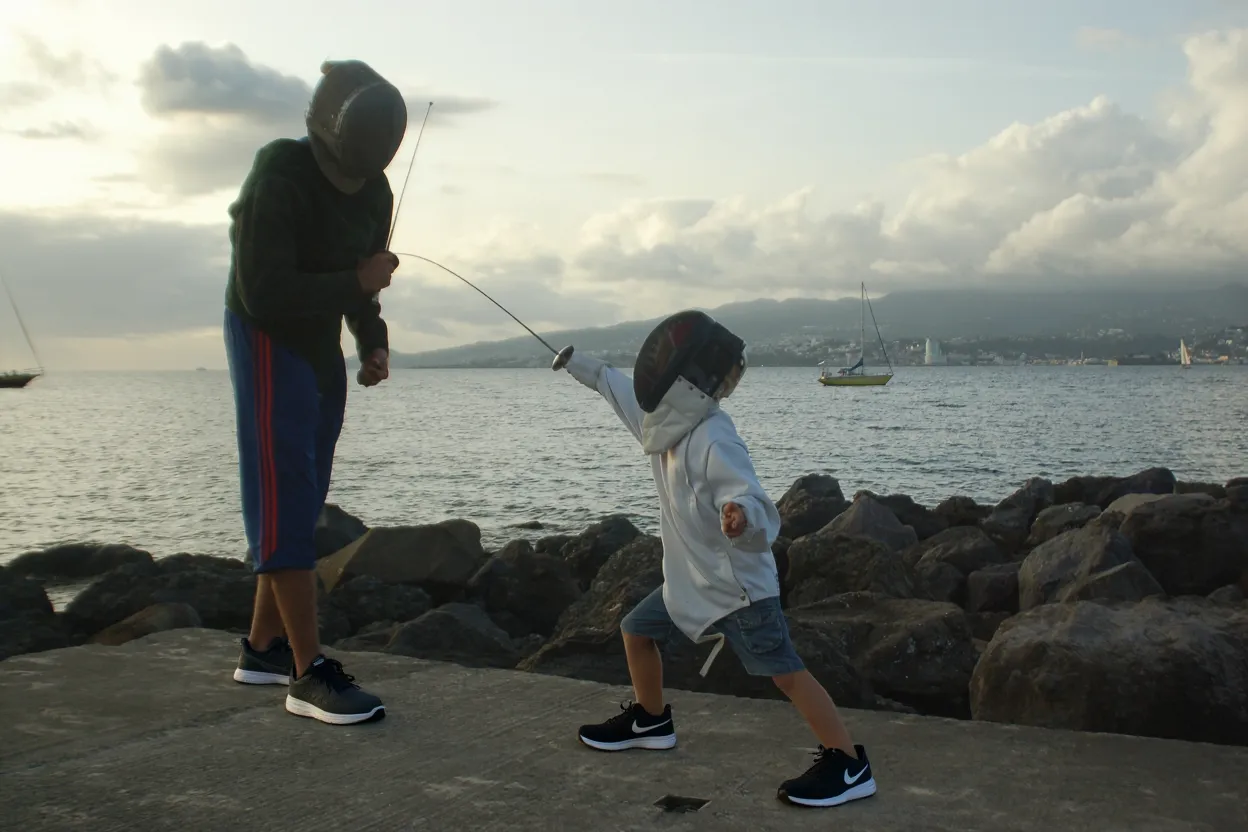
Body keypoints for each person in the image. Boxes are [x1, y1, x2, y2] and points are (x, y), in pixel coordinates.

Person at [556, 310, 877, 808]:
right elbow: (611, 383)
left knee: (786, 673)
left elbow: (749, 494)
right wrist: (581, 364)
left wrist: (740, 516)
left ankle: (850, 765)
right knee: (636, 631)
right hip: (689, 580)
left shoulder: (713, 436)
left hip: (738, 588)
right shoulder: (658, 422)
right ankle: (651, 719)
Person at [222, 59, 407, 725]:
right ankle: (306, 674)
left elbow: (364, 274)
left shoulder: (376, 190)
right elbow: (261, 291)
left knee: (306, 488)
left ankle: (264, 649)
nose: (352, 183)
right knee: (282, 486)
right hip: (266, 334)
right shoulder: (279, 173)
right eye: (344, 168)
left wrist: (372, 339)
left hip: (320, 339)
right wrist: (354, 287)